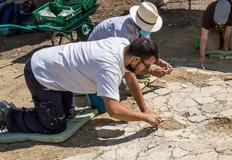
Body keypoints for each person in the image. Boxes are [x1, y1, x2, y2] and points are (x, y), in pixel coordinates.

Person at [0, 37, 162, 134]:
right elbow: (114, 110)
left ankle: (39, 112)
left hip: (59, 73)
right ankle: (7, 115)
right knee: (55, 126)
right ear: (135, 60)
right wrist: (145, 117)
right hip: (41, 73)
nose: (147, 70)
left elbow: (130, 76)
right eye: (146, 66)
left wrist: (144, 108)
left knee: (68, 115)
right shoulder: (109, 66)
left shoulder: (124, 45)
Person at [88, 1, 172, 77]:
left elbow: (145, 49)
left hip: (111, 55)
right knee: (126, 83)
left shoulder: (138, 26)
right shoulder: (122, 32)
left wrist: (158, 61)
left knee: (140, 71)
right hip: (97, 58)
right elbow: (122, 61)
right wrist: (151, 71)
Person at [199, 0, 232, 67]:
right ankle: (219, 37)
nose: (219, 22)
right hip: (214, 30)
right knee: (211, 48)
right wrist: (201, 55)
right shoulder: (209, 11)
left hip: (228, 29)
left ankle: (223, 39)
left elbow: (228, 30)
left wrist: (225, 46)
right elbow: (203, 38)